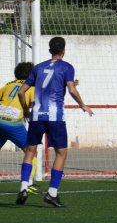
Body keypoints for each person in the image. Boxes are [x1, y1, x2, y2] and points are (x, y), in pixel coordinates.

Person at [16, 37, 94, 207]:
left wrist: (26, 110)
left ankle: (23, 186)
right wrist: (83, 105)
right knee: (61, 153)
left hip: (37, 116)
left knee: (30, 151)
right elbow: (71, 88)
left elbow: (21, 92)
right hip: (55, 117)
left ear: (50, 49)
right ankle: (52, 193)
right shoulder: (66, 67)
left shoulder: (38, 67)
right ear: (63, 50)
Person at [0, 62, 39, 194]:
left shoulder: (8, 85)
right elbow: (35, 105)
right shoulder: (31, 88)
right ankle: (27, 183)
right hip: (13, 123)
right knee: (31, 151)